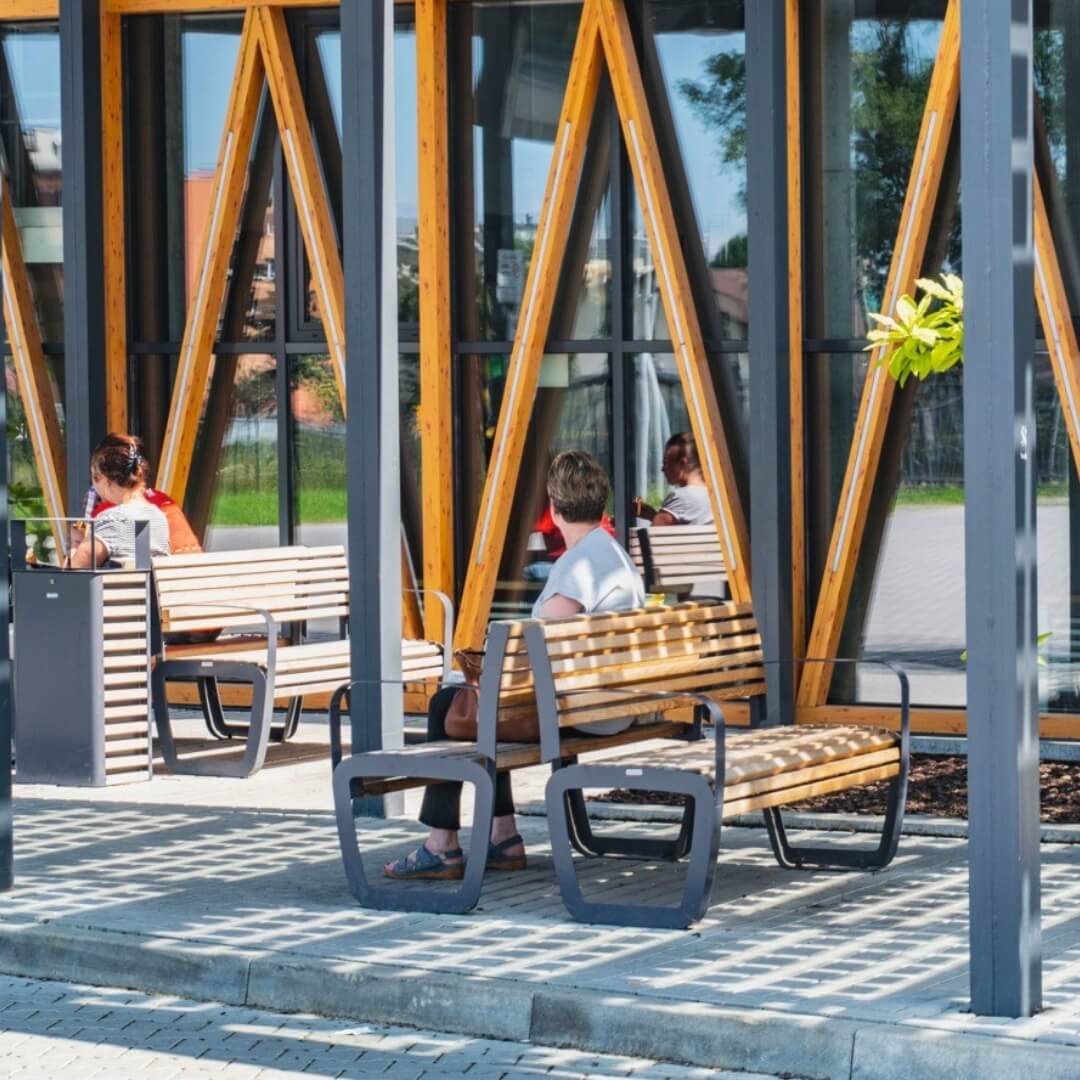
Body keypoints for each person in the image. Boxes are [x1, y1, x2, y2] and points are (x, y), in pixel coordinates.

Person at [384, 449, 645, 881]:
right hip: (611, 704)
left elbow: (529, 652)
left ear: (554, 508)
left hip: (583, 712)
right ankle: (502, 836)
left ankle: (442, 844)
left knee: (449, 703)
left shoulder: (579, 566)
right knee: (485, 709)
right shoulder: (614, 555)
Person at [67, 434, 171, 569]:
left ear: (105, 480)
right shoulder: (158, 516)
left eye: (93, 476)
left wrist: (76, 542)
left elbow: (72, 573)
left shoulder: (111, 519)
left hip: (123, 584)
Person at [633, 431, 714, 526]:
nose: (662, 469)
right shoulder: (713, 495)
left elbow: (653, 533)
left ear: (683, 464)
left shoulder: (680, 498)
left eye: (666, 463)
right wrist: (653, 515)